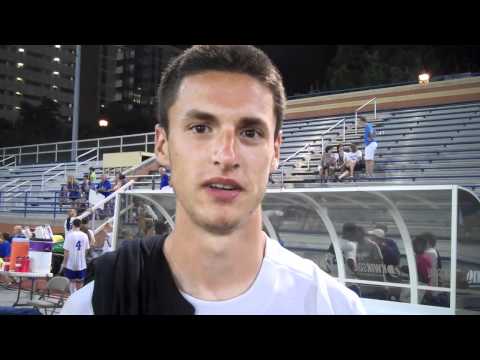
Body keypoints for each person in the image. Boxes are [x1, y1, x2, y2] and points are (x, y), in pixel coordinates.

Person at [61, 45, 366, 315]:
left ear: (275, 151)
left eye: (250, 132)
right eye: (201, 128)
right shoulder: (92, 306)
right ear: (162, 146)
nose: (226, 155)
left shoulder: (333, 306)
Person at [342, 223, 387, 299]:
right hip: (361, 287)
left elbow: (380, 267)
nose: (354, 235)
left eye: (355, 233)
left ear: (361, 234)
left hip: (374, 288)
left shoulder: (372, 246)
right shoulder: (352, 246)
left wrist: (383, 286)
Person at [61, 219, 90, 294]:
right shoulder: (85, 235)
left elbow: (66, 251)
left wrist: (64, 263)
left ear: (73, 225)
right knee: (80, 281)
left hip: (71, 263)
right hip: (81, 263)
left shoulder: (69, 235)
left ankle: (72, 296)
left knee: (71, 281)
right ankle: (79, 297)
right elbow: (86, 250)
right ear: (80, 225)